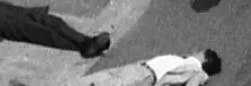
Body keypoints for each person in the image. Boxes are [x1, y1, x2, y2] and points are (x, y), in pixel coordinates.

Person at [39, 49, 223, 86]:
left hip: (143, 75)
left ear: (204, 58)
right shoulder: (184, 60)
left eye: (200, 51)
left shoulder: (197, 71)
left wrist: (203, 77)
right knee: (91, 81)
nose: (196, 50)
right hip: (138, 69)